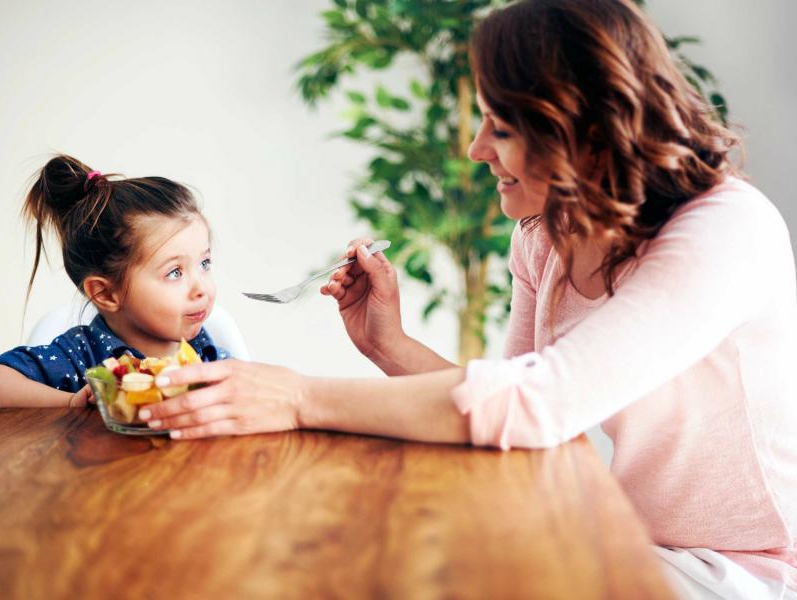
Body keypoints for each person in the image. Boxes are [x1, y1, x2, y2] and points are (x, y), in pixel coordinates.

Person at [138, 0, 796, 596]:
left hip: (745, 571)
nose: (477, 150)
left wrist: (296, 396)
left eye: (499, 127)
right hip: (632, 540)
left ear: (585, 129)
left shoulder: (728, 230)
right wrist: (388, 344)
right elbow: (510, 402)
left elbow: (535, 405)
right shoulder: (545, 236)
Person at [0, 154, 229, 408]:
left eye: (204, 264)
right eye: (175, 272)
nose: (201, 289)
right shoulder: (81, 355)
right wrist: (72, 403)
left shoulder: (207, 353)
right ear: (105, 294)